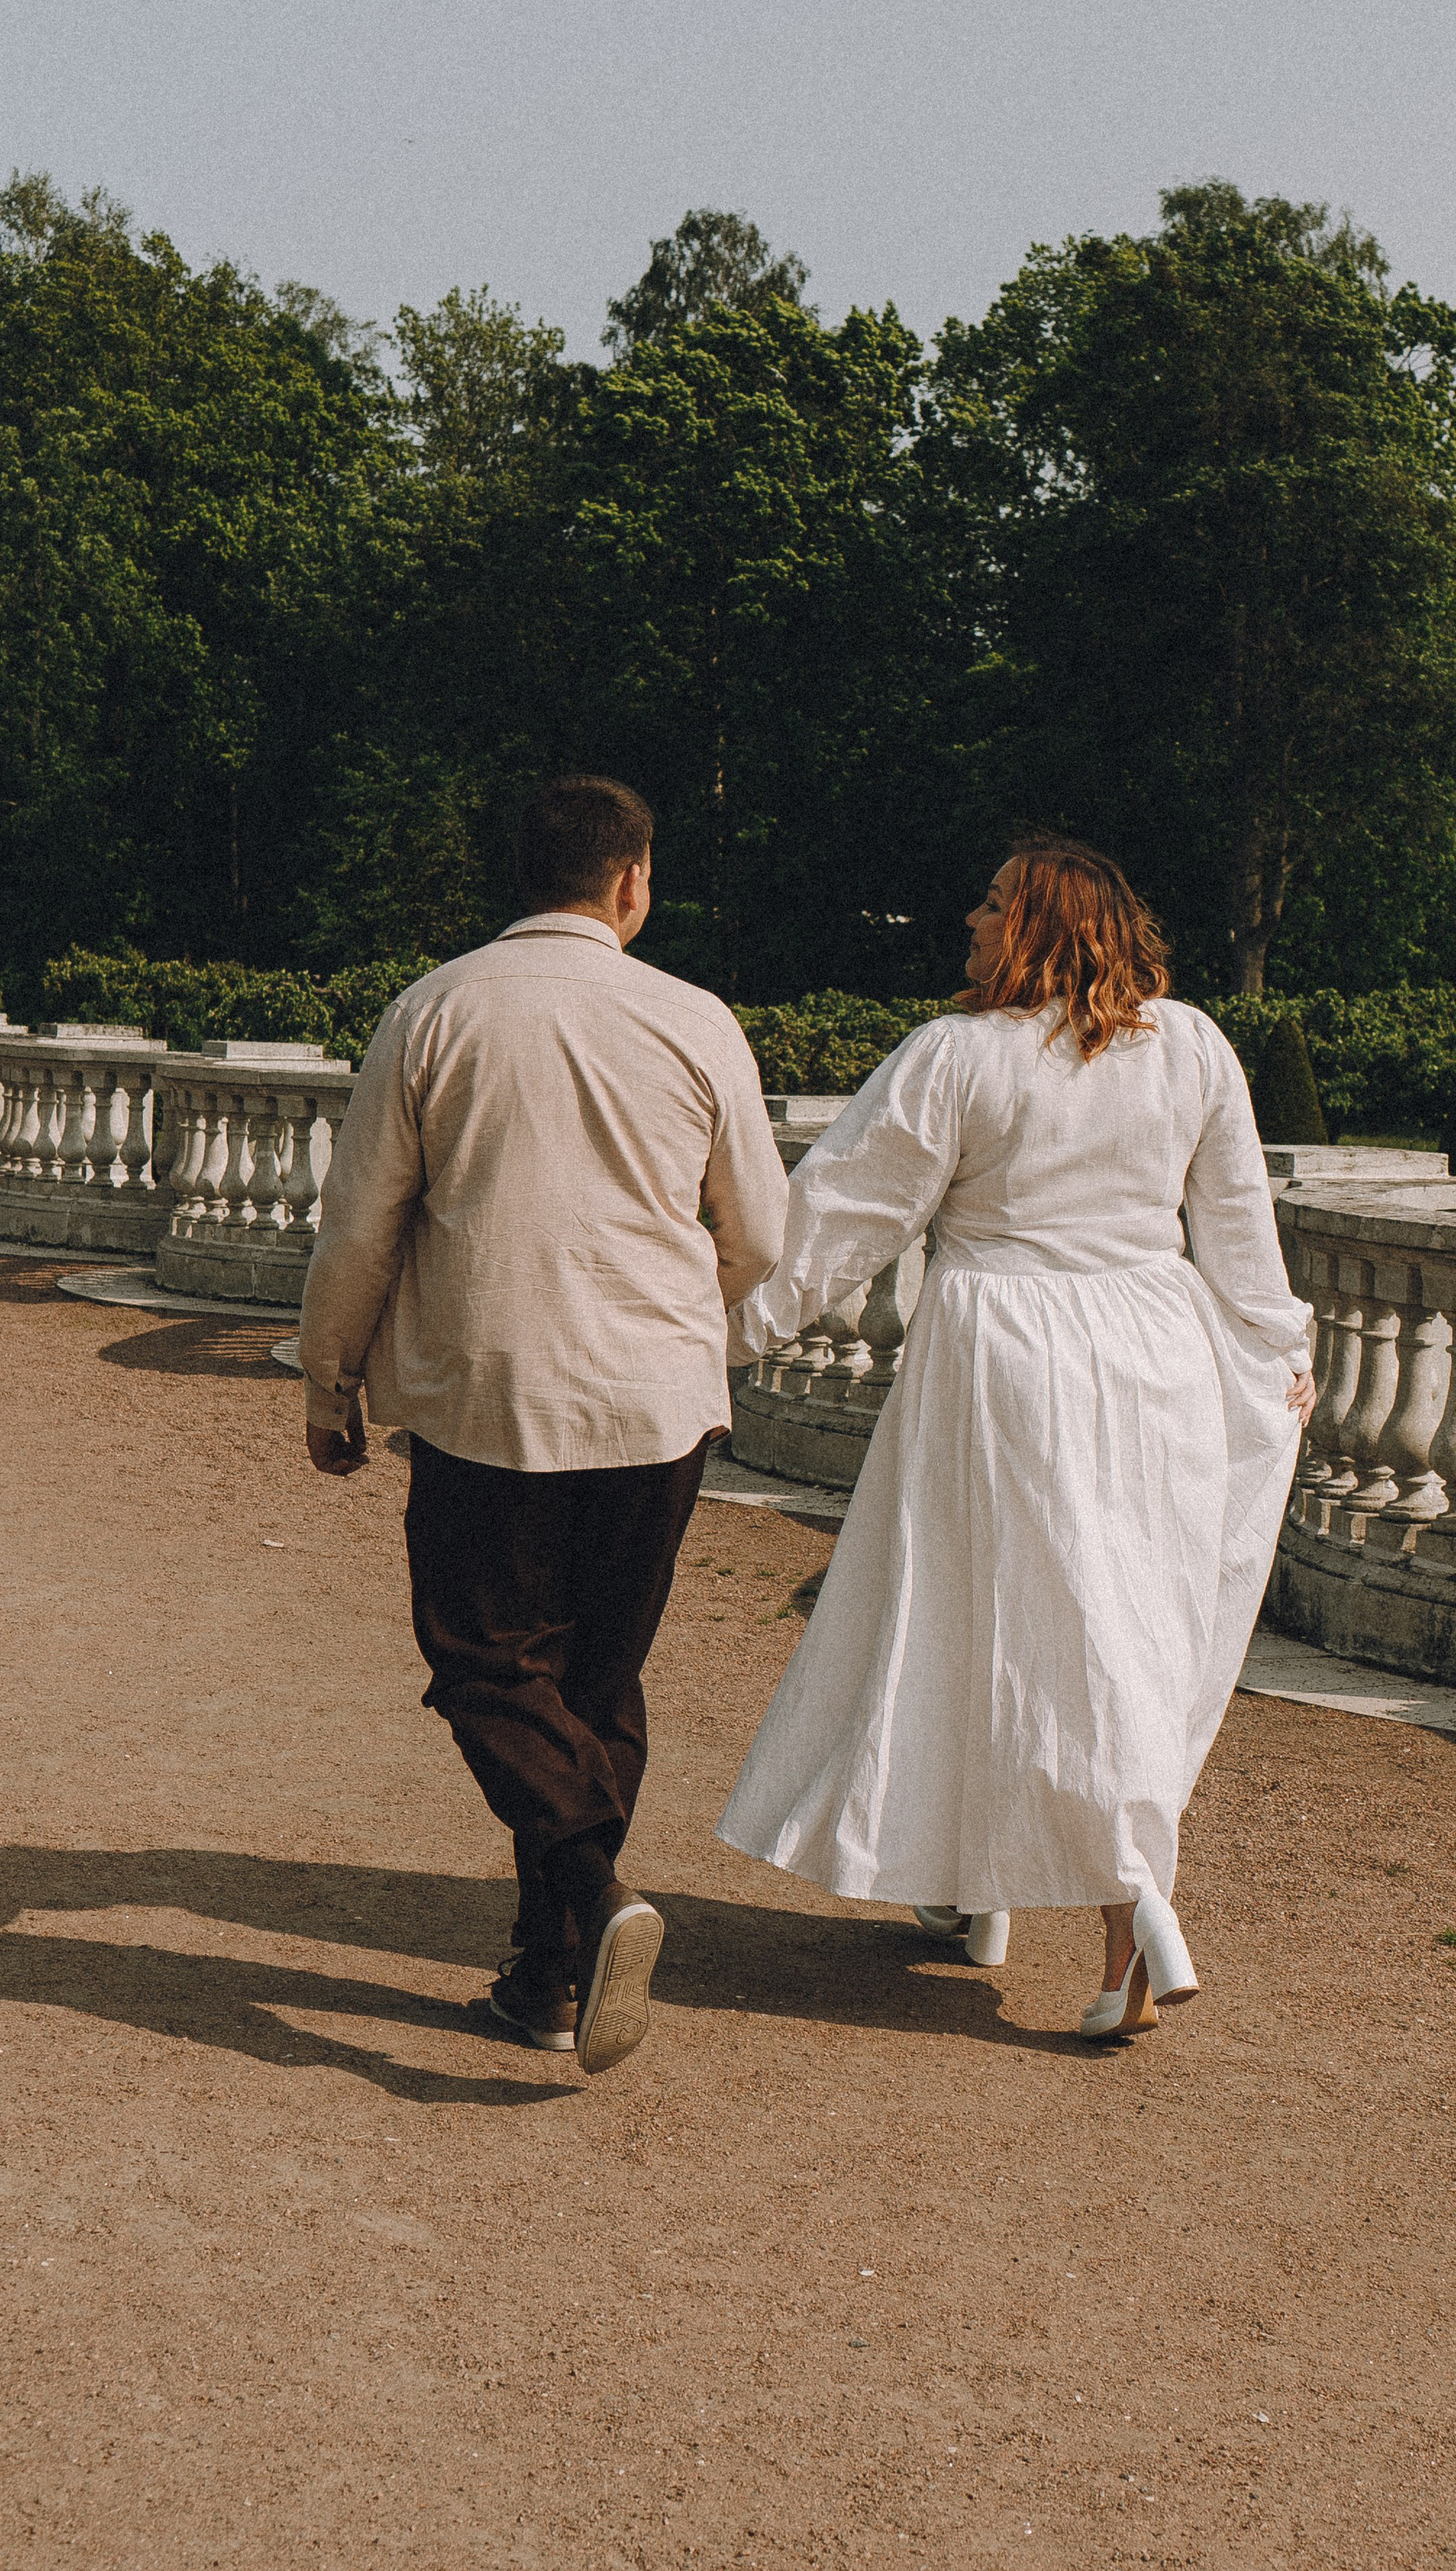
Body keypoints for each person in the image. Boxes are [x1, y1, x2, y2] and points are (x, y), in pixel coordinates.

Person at [716, 837, 1317, 2041]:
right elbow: (1240, 1229)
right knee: (1118, 1622)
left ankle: (1131, 1893)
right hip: (1155, 1351)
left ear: (1043, 926)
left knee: (1000, 1620)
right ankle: (994, 1890)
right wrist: (1280, 1346)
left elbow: (842, 1211)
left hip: (1008, 1356)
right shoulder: (1192, 1044)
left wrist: (727, 1336)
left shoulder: (957, 1057)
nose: (973, 917)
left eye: (994, 904)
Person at [298, 776, 786, 2076]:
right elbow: (764, 1234)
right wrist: (671, 1309)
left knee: (482, 1660)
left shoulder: (435, 1011)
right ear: (633, 882)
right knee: (595, 1679)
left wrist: (328, 1380)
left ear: (521, 877)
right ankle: (553, 1973)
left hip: (489, 1387)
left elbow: (362, 1228)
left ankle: (594, 1894)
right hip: (656, 1396)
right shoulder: (694, 1020)